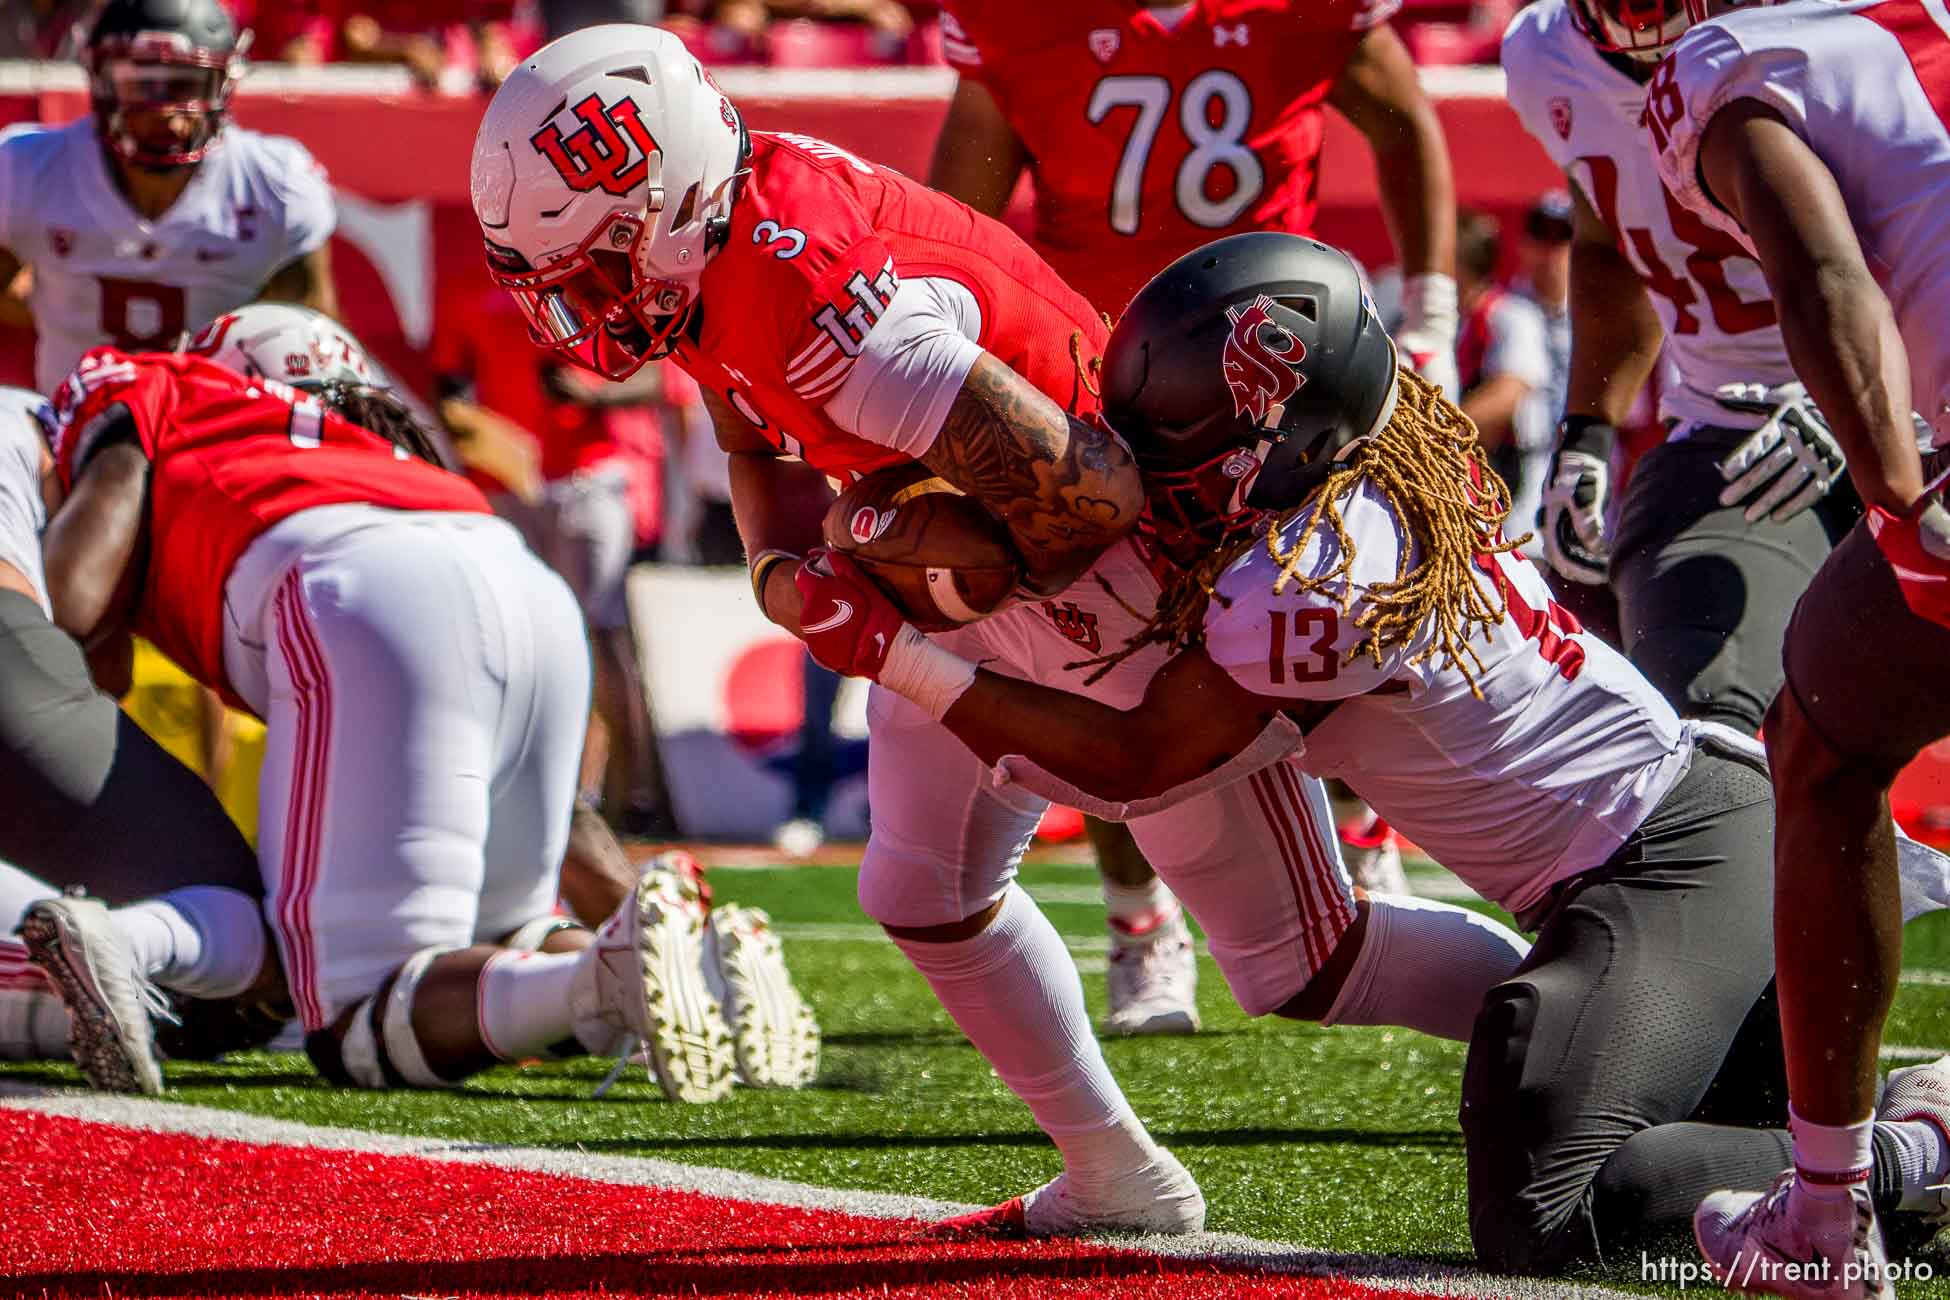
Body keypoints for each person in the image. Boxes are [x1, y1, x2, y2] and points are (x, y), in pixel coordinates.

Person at [472, 25, 1532, 1237]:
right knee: (921, 886)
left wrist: (891, 556)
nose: (587, 313)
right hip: (1005, 576)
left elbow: (1089, 500)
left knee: (1303, 963)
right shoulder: (715, 249)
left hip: (1123, 580)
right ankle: (1117, 1176)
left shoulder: (834, 308)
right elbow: (748, 423)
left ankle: (1591, 1013)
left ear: (668, 208)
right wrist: (783, 567)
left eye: (600, 271)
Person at [788, 231, 1950, 1274]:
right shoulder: (1351, 475)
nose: (1136, 482)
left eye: (1176, 455)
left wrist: (907, 655)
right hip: (1664, 852)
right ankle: (1860, 1134)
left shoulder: (1304, 578)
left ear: (1283, 445)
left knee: (1551, 1203)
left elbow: (1136, 761)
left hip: (1675, 864)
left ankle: (1910, 1142)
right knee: (1578, 1088)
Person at [25, 336, 751, 1104]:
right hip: (519, 581)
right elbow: (568, 827)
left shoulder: (157, 394)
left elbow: (69, 613)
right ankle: (692, 980)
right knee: (503, 937)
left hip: (355, 586)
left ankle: (602, 981)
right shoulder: (381, 454)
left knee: (350, 1020)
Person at [927, 0, 1464, 1024]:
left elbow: (1404, 124)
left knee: (1339, 603)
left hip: (1286, 373)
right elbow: (963, 213)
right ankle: (1140, 922)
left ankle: (1366, 838)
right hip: (1098, 378)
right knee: (1111, 647)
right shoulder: (1016, 23)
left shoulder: (1292, 15)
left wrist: (1428, 313)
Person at [1641, 0, 1950, 1291]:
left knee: (1817, 746)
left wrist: (1901, 503)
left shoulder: (1735, 60)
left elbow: (1817, 269)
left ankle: (1824, 1220)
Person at [1501, 0, 1860, 745]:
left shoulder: (1840, 30)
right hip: (1739, 419)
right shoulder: (1546, 57)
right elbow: (1606, 237)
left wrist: (1857, 388)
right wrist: (1587, 432)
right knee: (1703, 723)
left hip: (1927, 404)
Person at [432, 284, 677, 838]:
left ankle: (630, 796)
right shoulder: (472, 295)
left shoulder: (599, 286)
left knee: (601, 632)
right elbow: (447, 390)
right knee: (514, 636)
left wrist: (596, 396)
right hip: (509, 481)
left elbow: (663, 374)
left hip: (589, 477)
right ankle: (525, 784)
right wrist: (477, 430)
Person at [1454, 208, 1553, 546]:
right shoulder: (1456, 321)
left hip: (1518, 501)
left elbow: (1505, 397)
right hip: (1473, 489)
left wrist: (1424, 439)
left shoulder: (1511, 315)